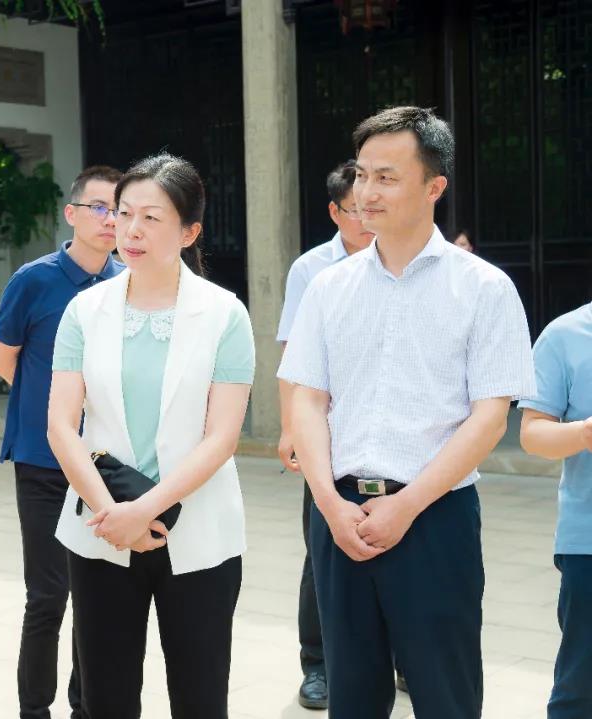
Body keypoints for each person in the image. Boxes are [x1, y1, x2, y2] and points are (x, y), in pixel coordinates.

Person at [279, 106, 535, 719]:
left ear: (433, 186)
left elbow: (489, 418)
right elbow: (307, 398)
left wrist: (408, 505)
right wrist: (328, 503)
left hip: (435, 519)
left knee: (446, 694)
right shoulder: (328, 286)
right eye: (362, 174)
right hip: (340, 515)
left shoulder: (484, 288)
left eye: (387, 177)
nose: (366, 192)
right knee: (352, 696)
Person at [48, 153, 255, 718]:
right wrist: (112, 513)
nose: (130, 229)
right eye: (123, 213)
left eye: (151, 217)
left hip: (200, 530)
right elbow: (61, 425)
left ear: (189, 232)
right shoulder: (84, 311)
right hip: (102, 528)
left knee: (200, 696)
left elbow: (222, 438)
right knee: (106, 697)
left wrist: (144, 511)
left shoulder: (225, 315)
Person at [0, 164, 123, 719]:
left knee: (97, 599)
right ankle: (34, 710)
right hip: (44, 463)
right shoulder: (34, 280)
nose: (111, 220)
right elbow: (4, 360)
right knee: (47, 597)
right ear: (72, 214)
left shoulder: (127, 281)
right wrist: (53, 413)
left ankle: (84, 707)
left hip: (104, 464)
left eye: (120, 210)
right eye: (99, 207)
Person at [275, 159, 374, 710]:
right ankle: (317, 666)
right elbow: (292, 355)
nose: (367, 216)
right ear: (335, 212)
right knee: (323, 551)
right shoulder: (311, 269)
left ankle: (399, 659)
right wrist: (290, 427)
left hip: (386, 434)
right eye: (355, 209)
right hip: (326, 431)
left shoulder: (405, 259)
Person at [518, 301, 592, 718]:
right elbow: (532, 433)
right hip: (588, 542)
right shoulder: (564, 336)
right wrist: (583, 433)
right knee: (581, 688)